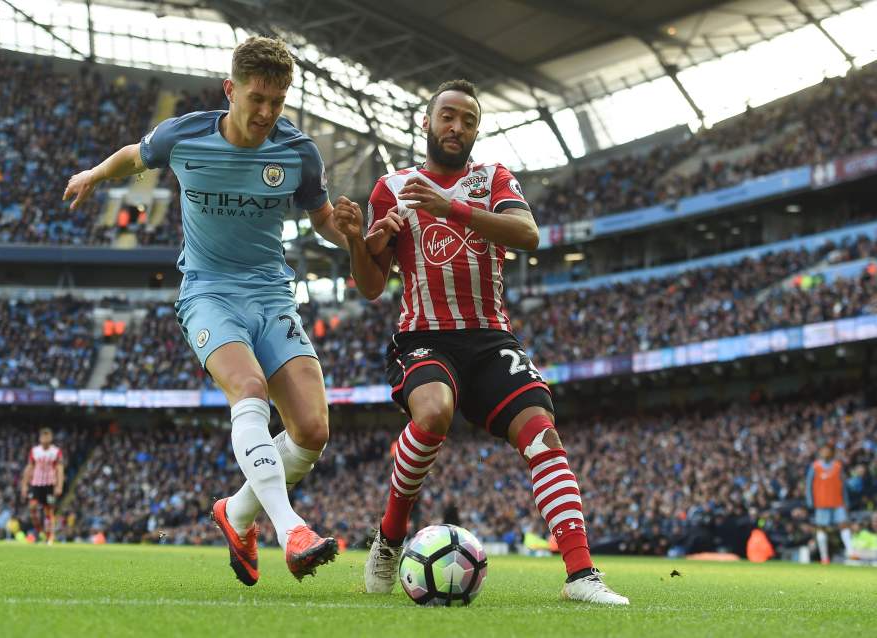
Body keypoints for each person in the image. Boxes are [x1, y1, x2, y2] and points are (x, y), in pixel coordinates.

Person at [64, 36, 349, 583]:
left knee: (312, 430)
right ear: (230, 90)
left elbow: (322, 219)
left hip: (271, 294)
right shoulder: (185, 134)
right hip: (208, 290)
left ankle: (236, 512)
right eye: (256, 98)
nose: (266, 112)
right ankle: (291, 529)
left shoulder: (298, 153)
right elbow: (134, 156)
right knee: (249, 389)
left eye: (278, 100)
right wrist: (93, 176)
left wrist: (352, 235)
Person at [332, 79, 628, 605]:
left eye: (468, 120)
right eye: (447, 116)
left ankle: (581, 576)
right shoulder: (391, 186)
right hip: (423, 337)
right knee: (432, 413)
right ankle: (390, 537)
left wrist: (451, 208)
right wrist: (359, 239)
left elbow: (528, 234)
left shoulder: (493, 178)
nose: (457, 127)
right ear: (426, 123)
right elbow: (372, 286)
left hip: (491, 340)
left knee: (543, 434)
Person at [806, 443, 853, 564]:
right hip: (821, 503)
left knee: (843, 525)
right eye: (823, 450)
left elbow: (843, 486)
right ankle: (824, 557)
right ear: (820, 452)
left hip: (837, 501)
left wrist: (846, 501)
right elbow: (809, 485)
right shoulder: (815, 466)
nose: (825, 453)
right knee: (821, 529)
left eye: (828, 450)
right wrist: (810, 501)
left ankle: (851, 552)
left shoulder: (838, 466)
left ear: (832, 452)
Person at [20, 427, 63, 544]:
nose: (45, 438)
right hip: (36, 484)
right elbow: (29, 467)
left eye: (47, 436)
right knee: (32, 507)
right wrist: (24, 484)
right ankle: (41, 532)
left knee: (48, 511)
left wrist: (59, 486)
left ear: (51, 438)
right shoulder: (35, 451)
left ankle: (50, 536)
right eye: (43, 436)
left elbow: (59, 469)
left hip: (49, 485)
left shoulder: (55, 452)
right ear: (40, 438)